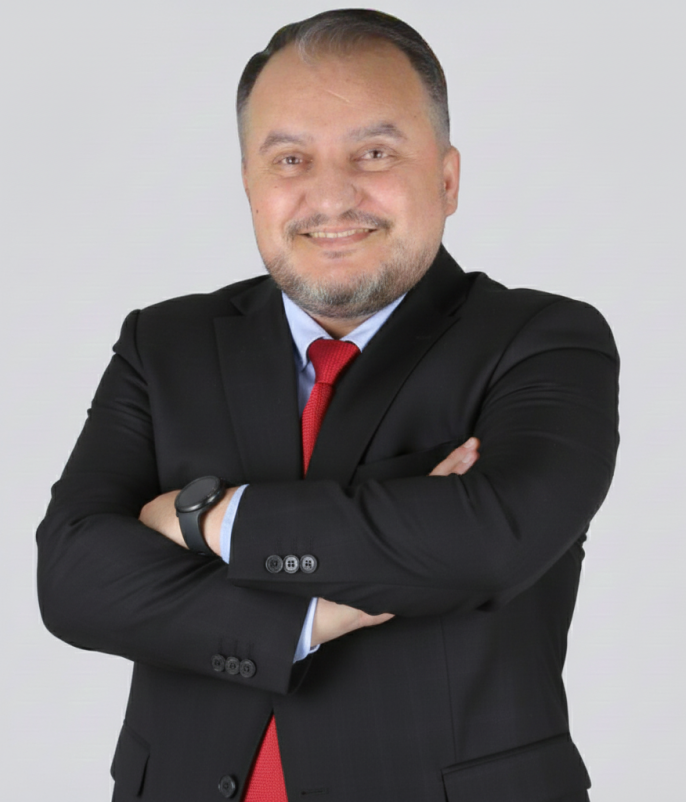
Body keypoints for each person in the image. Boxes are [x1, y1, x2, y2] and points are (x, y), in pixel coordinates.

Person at [36, 9, 619, 802]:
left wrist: (207, 520)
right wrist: (318, 609)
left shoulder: (544, 340)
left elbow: (492, 541)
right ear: (250, 185)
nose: (332, 196)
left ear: (447, 179)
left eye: (374, 153)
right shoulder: (163, 343)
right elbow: (72, 579)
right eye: (290, 159)